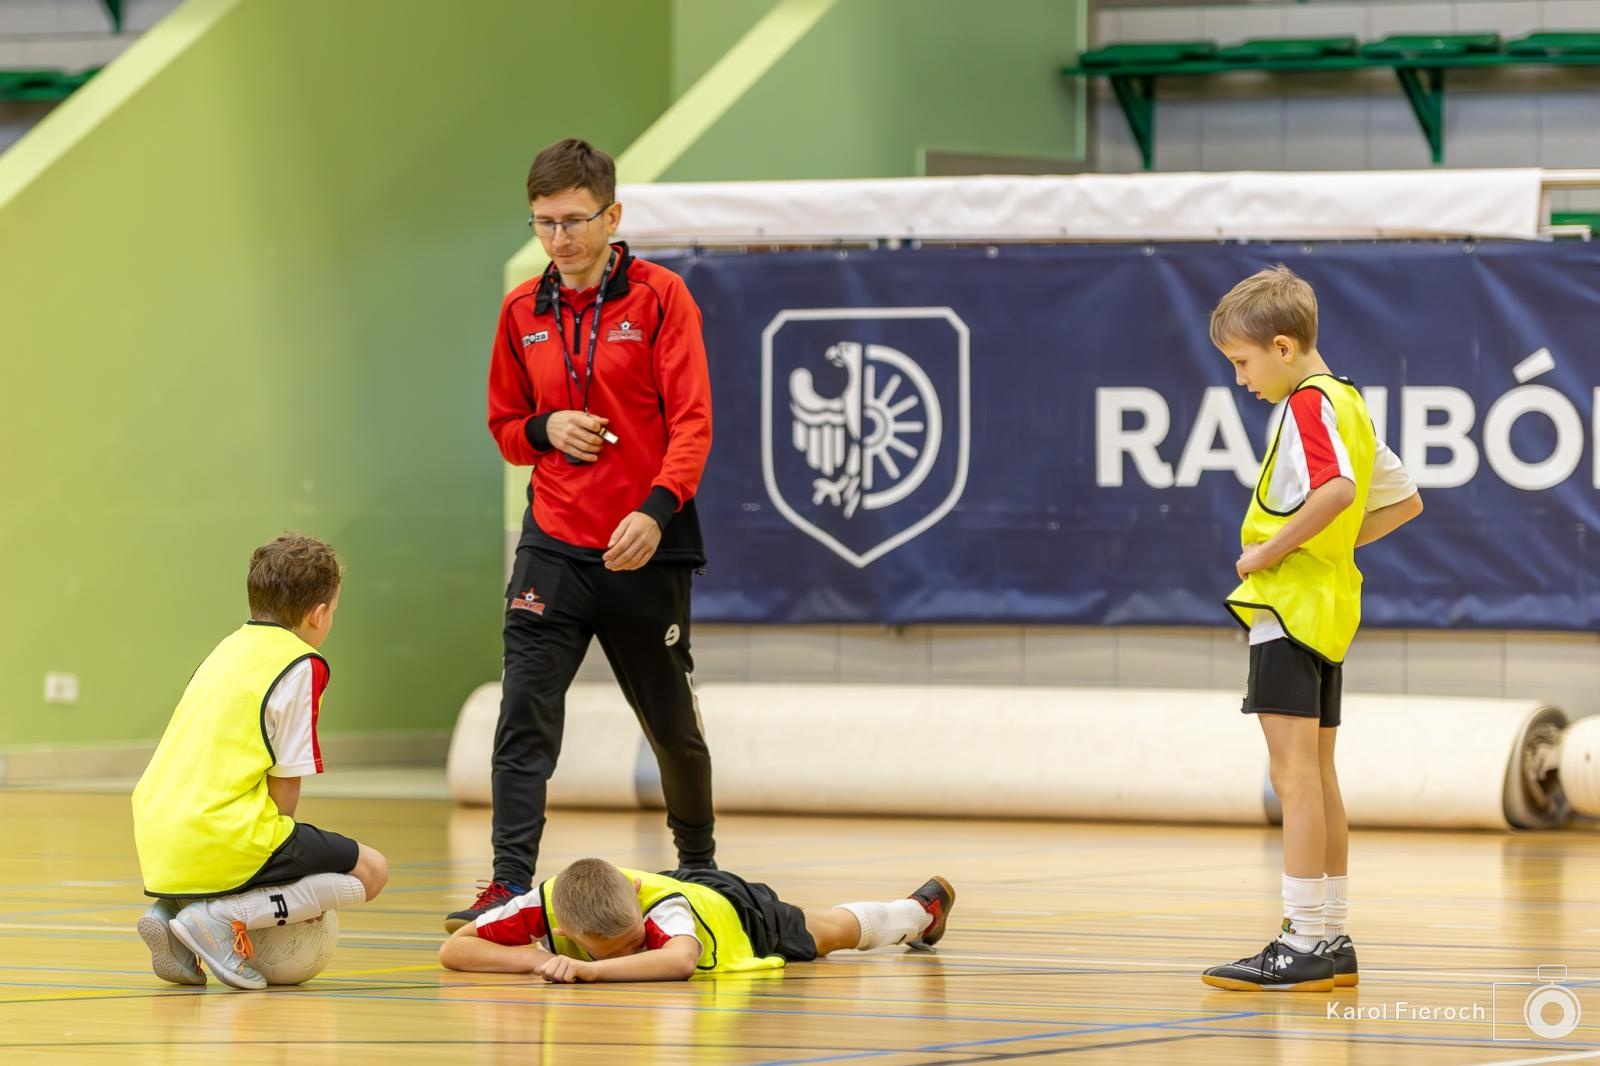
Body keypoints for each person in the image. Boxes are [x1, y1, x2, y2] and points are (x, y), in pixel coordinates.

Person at [454, 138, 716, 931]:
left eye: (574, 221)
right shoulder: (519, 313)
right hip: (552, 545)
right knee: (523, 714)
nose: (559, 240)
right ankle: (507, 882)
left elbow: (694, 424)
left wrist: (655, 510)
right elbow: (504, 426)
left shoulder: (663, 297)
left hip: (644, 546)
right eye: (543, 223)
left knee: (670, 721)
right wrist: (545, 425)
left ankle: (699, 862)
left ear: (612, 215)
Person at [1201, 265, 1422, 993]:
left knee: (1292, 778)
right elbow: (1402, 504)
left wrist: (1270, 550)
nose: (1240, 378)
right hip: (1328, 612)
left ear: (1285, 347)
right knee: (1318, 776)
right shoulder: (1349, 405)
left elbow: (1338, 491)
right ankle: (1330, 937)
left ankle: (1301, 939)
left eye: (1242, 361)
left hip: (1289, 609)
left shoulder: (1305, 407)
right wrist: (1327, 545)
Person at [130, 534, 388, 990]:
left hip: (157, 833)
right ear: (319, 613)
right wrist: (279, 872)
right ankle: (222, 917)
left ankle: (168, 912)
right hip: (218, 832)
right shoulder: (303, 664)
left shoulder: (225, 649)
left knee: (256, 852)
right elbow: (284, 784)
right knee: (371, 870)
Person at [440, 857, 955, 981]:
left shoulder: (660, 909)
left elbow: (681, 960)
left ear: (636, 898)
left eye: (633, 940)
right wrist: (530, 959)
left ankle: (916, 911)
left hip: (732, 913)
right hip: (681, 889)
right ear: (566, 930)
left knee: (830, 935)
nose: (631, 952)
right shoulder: (542, 905)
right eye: (614, 949)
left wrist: (593, 970)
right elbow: (455, 947)